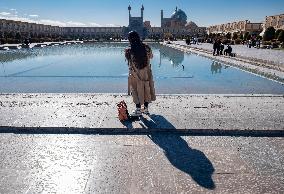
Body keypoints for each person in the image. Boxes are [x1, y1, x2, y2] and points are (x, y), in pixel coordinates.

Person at [125, 31, 156, 116]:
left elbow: (130, 62)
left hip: (135, 74)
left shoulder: (129, 50)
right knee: (146, 89)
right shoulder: (146, 47)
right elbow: (151, 57)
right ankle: (145, 109)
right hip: (146, 72)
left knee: (135, 90)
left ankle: (138, 109)